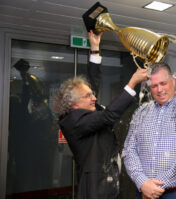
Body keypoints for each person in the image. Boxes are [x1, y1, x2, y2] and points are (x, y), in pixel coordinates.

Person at [54, 30, 148, 199]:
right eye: (88, 96)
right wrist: (132, 83)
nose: (94, 98)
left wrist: (95, 48)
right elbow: (108, 116)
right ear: (74, 104)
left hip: (108, 183)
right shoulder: (74, 121)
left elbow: (92, 82)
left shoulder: (84, 109)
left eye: (92, 94)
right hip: (95, 190)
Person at [122, 63, 176, 199]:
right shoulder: (140, 112)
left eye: (163, 83)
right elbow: (129, 150)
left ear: (172, 81)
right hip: (143, 192)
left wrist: (155, 187)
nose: (159, 89)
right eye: (154, 86)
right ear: (149, 87)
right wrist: (142, 182)